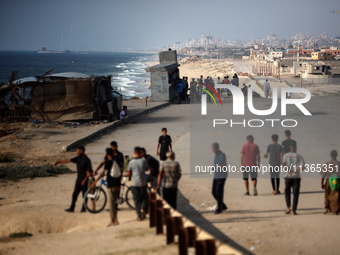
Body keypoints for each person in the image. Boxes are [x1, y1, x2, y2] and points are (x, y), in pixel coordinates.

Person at [52, 146, 92, 213]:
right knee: (74, 194)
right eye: (76, 151)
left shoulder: (87, 160)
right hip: (78, 180)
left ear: (82, 151)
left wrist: (85, 180)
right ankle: (72, 208)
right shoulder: (77, 159)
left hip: (85, 180)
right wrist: (58, 162)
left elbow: (89, 172)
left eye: (78, 151)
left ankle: (83, 208)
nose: (76, 152)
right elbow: (68, 160)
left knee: (84, 195)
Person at [91, 148, 122, 226]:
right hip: (117, 184)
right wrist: (120, 182)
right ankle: (116, 220)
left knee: (111, 203)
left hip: (111, 184)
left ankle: (112, 221)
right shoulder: (117, 159)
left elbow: (102, 173)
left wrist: (95, 182)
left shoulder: (108, 162)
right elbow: (121, 171)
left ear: (107, 154)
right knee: (116, 203)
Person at [282, 143, 305, 215]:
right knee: (296, 194)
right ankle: (294, 210)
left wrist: (290, 172)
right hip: (296, 177)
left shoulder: (285, 155)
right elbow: (303, 166)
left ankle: (288, 207)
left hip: (288, 177)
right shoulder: (299, 156)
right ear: (296, 147)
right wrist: (295, 171)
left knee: (287, 192)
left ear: (290, 147)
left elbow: (283, 165)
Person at [127, 147, 149, 221]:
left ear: (135, 153)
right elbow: (147, 169)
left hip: (134, 183)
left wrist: (130, 177)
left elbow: (128, 173)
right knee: (144, 197)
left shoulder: (131, 162)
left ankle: (139, 216)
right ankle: (142, 208)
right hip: (143, 183)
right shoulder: (143, 161)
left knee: (136, 200)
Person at [321, 150, 340, 214]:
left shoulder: (327, 163)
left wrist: (322, 183)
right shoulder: (338, 163)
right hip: (335, 181)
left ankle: (327, 208)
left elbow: (323, 174)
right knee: (335, 194)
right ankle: (335, 210)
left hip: (328, 180)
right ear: (336, 155)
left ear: (330, 155)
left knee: (327, 193)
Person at [211, 143, 228, 214]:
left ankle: (220, 208)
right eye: (212, 149)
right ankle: (223, 205)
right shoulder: (216, 155)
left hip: (222, 176)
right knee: (214, 192)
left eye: (214, 149)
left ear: (218, 148)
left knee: (219, 192)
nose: (213, 150)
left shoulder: (222, 155)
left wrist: (216, 167)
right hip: (216, 176)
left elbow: (224, 165)